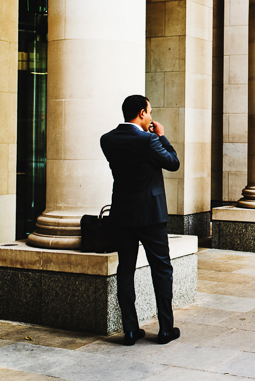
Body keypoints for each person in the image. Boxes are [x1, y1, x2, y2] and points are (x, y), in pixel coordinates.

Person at [100, 95, 181, 346]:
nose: (151, 116)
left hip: (123, 215)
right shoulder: (148, 140)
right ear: (142, 113)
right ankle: (166, 329)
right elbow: (173, 163)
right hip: (151, 216)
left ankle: (131, 330)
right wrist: (161, 136)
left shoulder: (107, 139)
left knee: (125, 270)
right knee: (162, 270)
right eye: (150, 111)